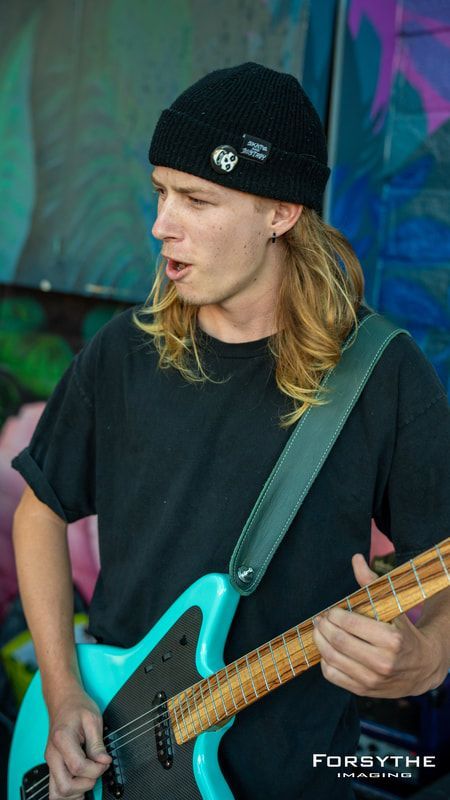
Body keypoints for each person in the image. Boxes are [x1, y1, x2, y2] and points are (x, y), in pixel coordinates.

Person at [12, 62, 450, 800]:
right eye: (160, 192)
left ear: (281, 213)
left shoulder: (384, 375)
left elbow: (437, 555)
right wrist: (62, 695)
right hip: (113, 769)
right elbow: (39, 510)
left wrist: (430, 656)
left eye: (196, 198)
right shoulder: (125, 351)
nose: (160, 224)